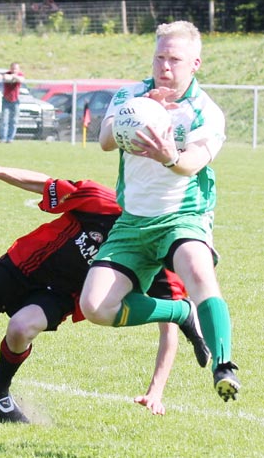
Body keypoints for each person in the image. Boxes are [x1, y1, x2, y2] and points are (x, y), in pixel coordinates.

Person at [0, 137, 210, 423]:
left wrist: (156, 391)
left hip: (59, 295)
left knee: (20, 327)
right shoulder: (102, 201)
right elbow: (46, 185)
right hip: (19, 267)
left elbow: (171, 327)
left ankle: (0, 393)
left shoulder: (157, 247)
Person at [80, 20, 241, 402]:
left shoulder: (206, 112)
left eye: (175, 59)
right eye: (160, 57)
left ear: (195, 64)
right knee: (94, 307)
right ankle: (178, 313)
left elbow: (192, 163)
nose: (165, 66)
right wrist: (139, 113)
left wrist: (170, 157)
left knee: (199, 271)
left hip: (182, 216)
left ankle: (224, 364)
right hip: (133, 220)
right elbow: (105, 142)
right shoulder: (130, 94)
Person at [0, 62, 25, 143]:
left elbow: (21, 79)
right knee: (4, 120)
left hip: (15, 100)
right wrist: (13, 76)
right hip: (6, 99)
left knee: (14, 120)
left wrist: (15, 76)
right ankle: (3, 138)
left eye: (16, 69)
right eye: (13, 68)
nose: (14, 70)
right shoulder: (7, 74)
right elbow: (6, 78)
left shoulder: (20, 75)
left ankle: (10, 138)